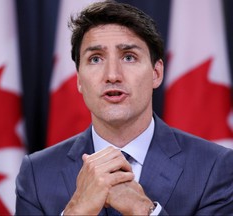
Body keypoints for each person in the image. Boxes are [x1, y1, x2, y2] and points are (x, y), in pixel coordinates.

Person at [15, 0, 233, 215]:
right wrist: (77, 211)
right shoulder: (36, 173)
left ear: (156, 74)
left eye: (129, 57)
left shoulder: (214, 167)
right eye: (95, 59)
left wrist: (144, 210)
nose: (112, 75)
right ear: (79, 80)